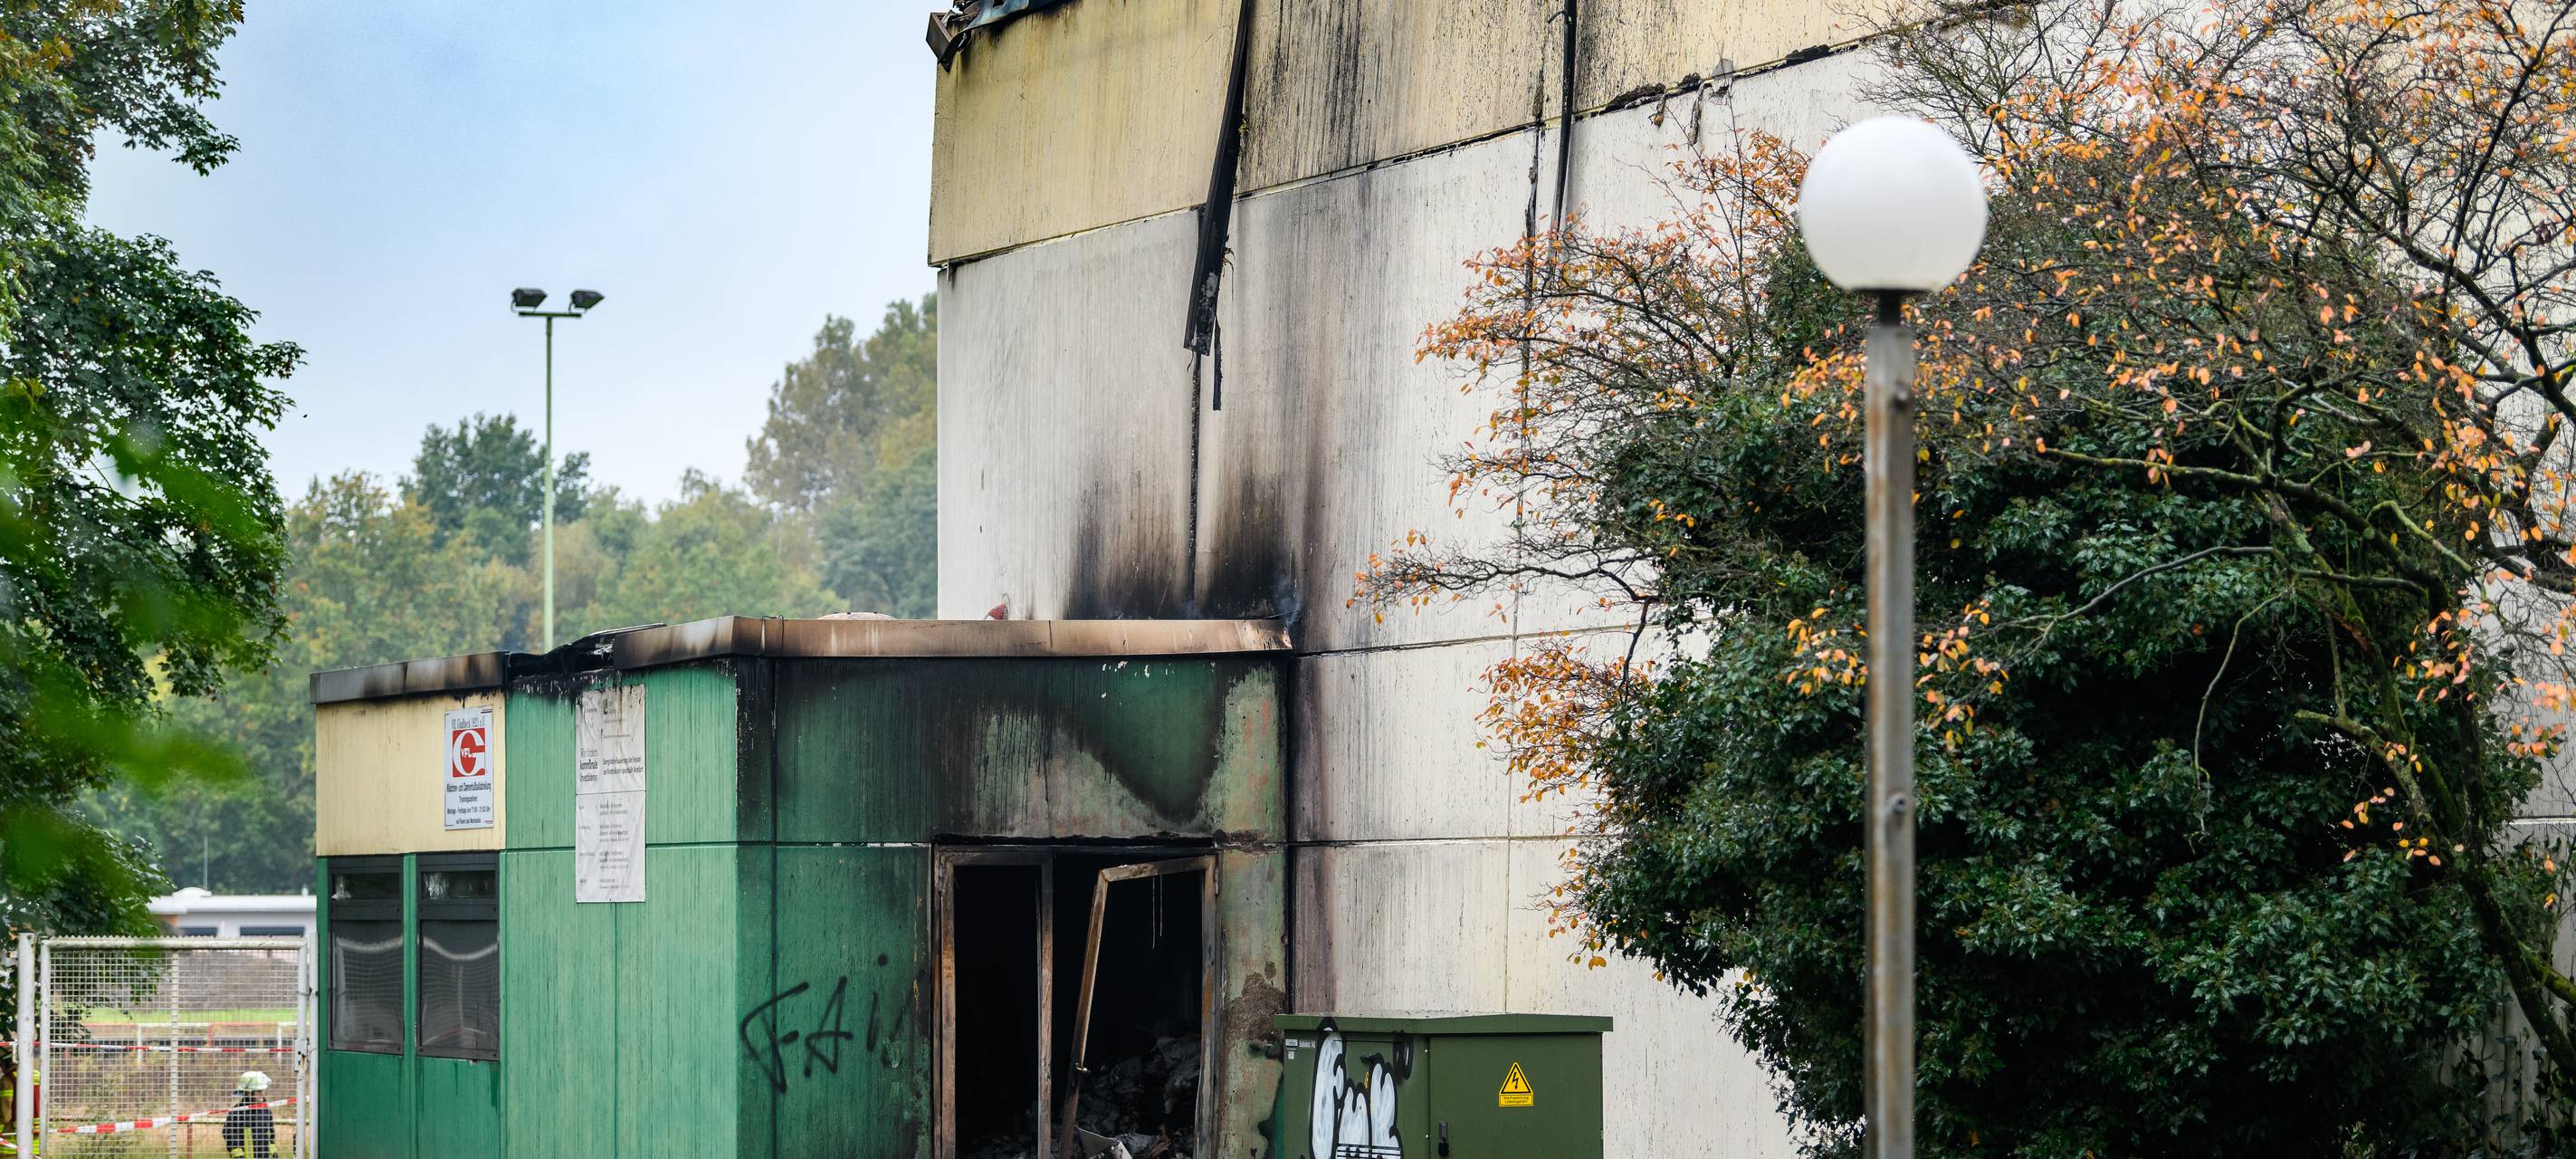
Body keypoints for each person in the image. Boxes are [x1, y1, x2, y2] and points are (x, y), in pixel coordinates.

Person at [221, 1071, 272, 1159]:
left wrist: (273, 1151)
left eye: (263, 1090)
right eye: (259, 1091)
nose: (262, 1094)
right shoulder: (236, 1112)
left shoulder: (265, 1110)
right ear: (248, 1093)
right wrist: (239, 1156)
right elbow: (232, 1138)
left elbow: (270, 1134)